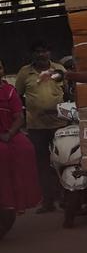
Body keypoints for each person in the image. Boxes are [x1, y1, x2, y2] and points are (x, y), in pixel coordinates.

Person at [14, 42, 68, 213]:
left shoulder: (59, 70)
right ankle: (48, 201)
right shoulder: (25, 73)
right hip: (36, 126)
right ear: (33, 55)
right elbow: (17, 96)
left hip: (60, 124)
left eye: (44, 51)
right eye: (37, 52)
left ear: (49, 52)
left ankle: (66, 197)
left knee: (64, 161)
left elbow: (68, 92)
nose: (41, 54)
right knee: (42, 164)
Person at [0, 70, 42, 235]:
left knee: (26, 148)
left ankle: (15, 199)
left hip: (7, 134)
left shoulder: (9, 91)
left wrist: (9, 134)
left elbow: (19, 117)